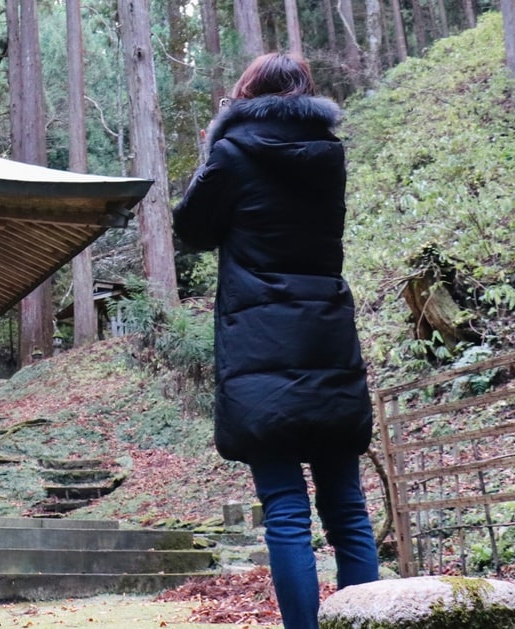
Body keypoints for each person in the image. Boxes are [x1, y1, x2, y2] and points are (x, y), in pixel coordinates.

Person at [172, 52, 379, 629]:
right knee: (347, 510)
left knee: (287, 510)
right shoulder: (329, 154)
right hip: (327, 337)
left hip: (260, 346)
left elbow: (191, 228)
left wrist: (218, 137)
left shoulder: (235, 153)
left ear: (247, 94)